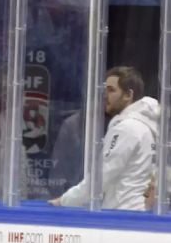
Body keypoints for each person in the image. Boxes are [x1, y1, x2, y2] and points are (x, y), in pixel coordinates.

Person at [51, 66, 158, 210]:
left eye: (111, 90)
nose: (105, 95)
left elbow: (101, 176)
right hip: (135, 211)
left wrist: (65, 201)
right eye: (105, 89)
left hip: (122, 214)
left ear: (128, 95)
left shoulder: (126, 128)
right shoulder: (146, 127)